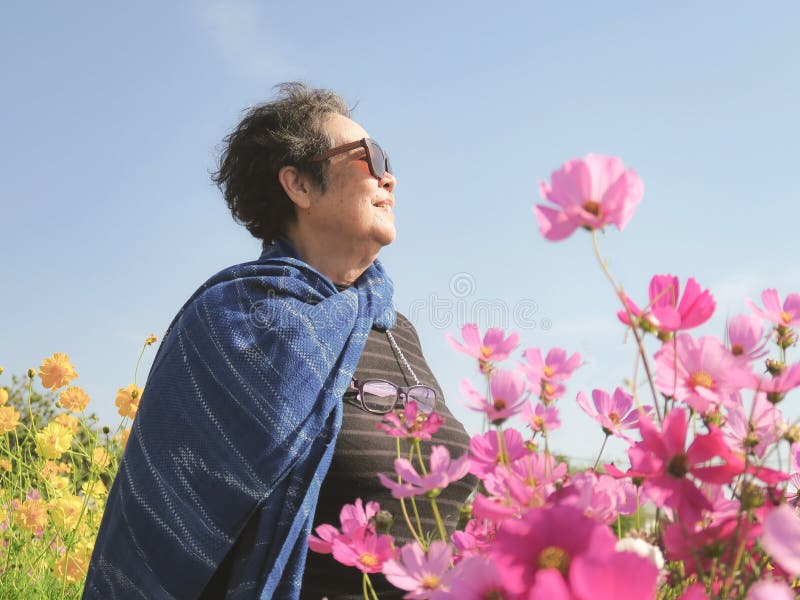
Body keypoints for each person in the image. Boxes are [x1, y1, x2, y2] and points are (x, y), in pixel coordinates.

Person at [83, 83, 473, 599]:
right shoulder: (236, 326)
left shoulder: (395, 330)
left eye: (388, 158)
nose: (389, 175)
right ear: (299, 185)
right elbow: (163, 531)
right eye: (369, 157)